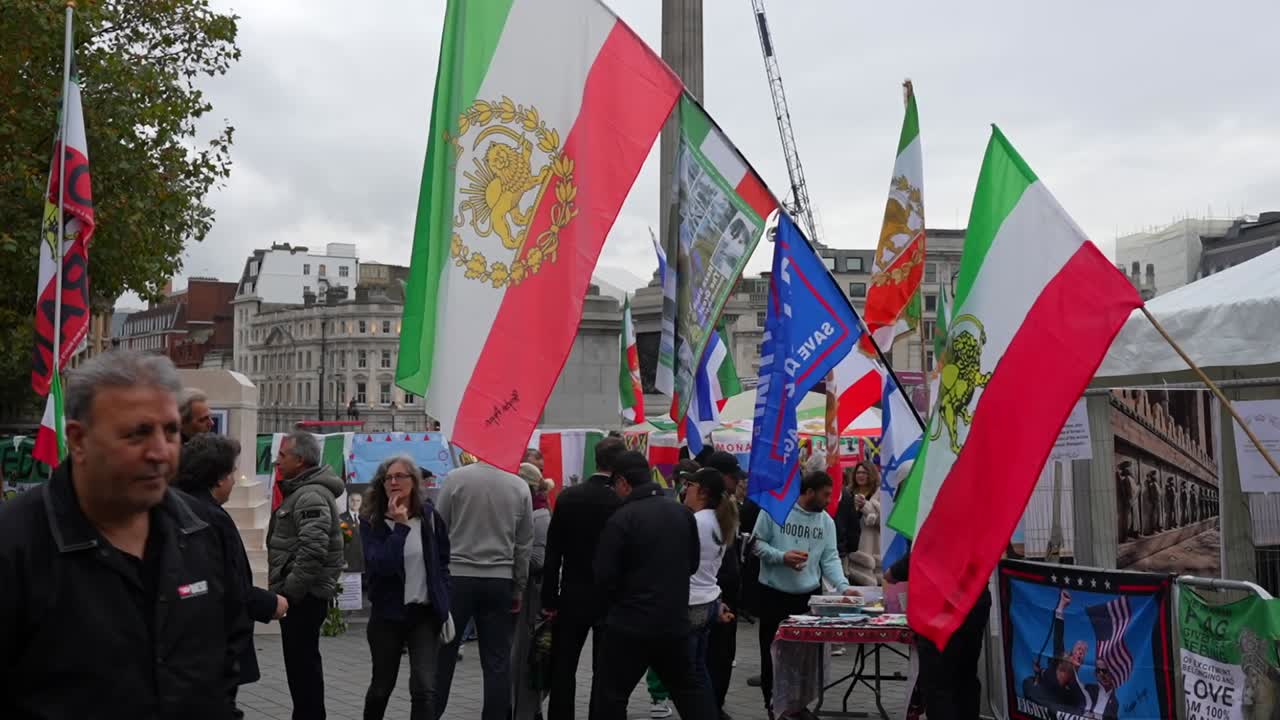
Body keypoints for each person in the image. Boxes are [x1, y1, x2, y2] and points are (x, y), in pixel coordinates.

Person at [0, 350, 244, 718]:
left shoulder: (201, 531)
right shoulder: (15, 546)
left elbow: (224, 665)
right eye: (138, 433)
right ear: (78, 440)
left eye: (171, 431)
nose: (161, 452)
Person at [589, 451, 713, 720]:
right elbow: (692, 565)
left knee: (610, 696)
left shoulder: (622, 519)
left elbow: (604, 576)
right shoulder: (683, 514)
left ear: (623, 482)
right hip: (674, 622)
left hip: (629, 625)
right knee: (689, 692)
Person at [175, 433, 289, 719]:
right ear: (218, 477)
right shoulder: (210, 518)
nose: (236, 479)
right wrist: (269, 603)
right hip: (214, 648)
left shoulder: (180, 506)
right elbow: (226, 583)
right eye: (232, 472)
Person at [753, 471, 860, 715]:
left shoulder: (826, 522)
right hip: (774, 593)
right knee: (773, 653)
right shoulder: (775, 510)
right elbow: (756, 544)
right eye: (825, 495)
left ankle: (799, 704)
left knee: (804, 657)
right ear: (809, 492)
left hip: (807, 596)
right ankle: (772, 703)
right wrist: (782, 557)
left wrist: (844, 587)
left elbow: (830, 558)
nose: (828, 500)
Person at [435, 458, 534, 720]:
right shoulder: (519, 486)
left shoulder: (455, 478)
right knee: (497, 659)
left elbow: (437, 527)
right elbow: (524, 544)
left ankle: (430, 711)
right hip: (499, 578)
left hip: (457, 576)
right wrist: (519, 586)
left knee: (444, 651)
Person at [360, 457, 452, 720]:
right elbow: (381, 565)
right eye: (388, 477)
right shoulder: (371, 521)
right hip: (387, 617)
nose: (393, 482)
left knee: (424, 688)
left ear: (414, 482)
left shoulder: (429, 517)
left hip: (423, 614)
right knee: (381, 688)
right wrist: (399, 527)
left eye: (400, 476)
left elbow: (442, 559)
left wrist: (443, 596)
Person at [541, 437, 626, 720]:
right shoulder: (620, 501)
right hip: (610, 595)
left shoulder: (568, 496)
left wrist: (549, 598)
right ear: (618, 465)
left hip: (573, 592)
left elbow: (553, 552)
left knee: (564, 665)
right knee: (605, 668)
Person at [268, 430, 346, 719]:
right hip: (302, 595)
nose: (277, 462)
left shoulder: (309, 494)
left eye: (282, 456)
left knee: (303, 671)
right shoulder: (302, 491)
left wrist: (289, 593)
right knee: (302, 670)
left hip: (304, 597)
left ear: (300, 460)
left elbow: (313, 550)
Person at [885, 549, 992, 720]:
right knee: (965, 676)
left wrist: (895, 571)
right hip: (974, 597)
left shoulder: (941, 522)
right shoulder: (981, 522)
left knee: (939, 682)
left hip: (941, 602)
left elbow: (930, 545)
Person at [684, 466, 739, 716]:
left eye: (691, 485)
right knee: (697, 671)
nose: (686, 489)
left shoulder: (696, 522)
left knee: (688, 675)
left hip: (692, 602)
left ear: (703, 492)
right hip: (708, 601)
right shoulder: (718, 520)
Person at [703, 453, 746, 720]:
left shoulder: (727, 505)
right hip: (712, 596)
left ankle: (715, 703)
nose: (738, 480)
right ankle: (709, 707)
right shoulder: (704, 512)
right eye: (732, 475)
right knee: (712, 656)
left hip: (727, 594)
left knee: (723, 655)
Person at [513, 463, 554, 720]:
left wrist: (511, 554)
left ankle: (528, 711)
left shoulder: (540, 516)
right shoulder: (534, 511)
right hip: (526, 594)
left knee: (526, 656)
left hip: (531, 596)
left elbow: (539, 559)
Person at [846, 461, 881, 586]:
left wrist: (865, 506)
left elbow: (885, 523)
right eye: (858, 472)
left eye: (864, 473)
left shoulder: (880, 494)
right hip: (852, 550)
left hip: (873, 549)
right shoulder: (848, 493)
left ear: (871, 474)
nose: (860, 475)